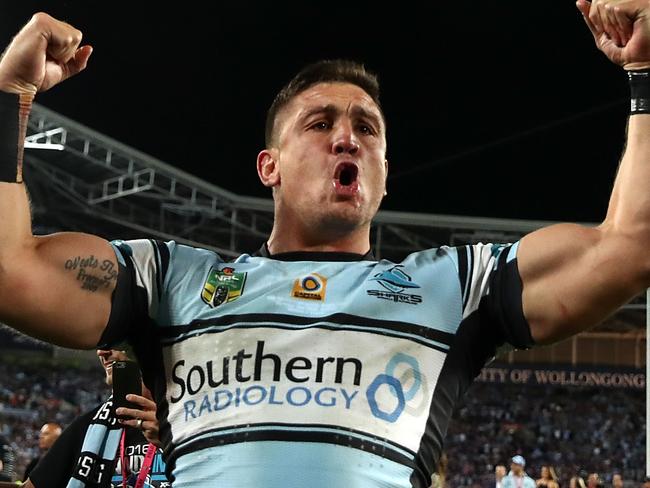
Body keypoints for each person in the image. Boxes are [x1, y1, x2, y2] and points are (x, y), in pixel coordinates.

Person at [0, 2, 648, 486]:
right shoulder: (169, 279)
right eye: (320, 123)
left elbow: (629, 247)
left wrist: (645, 72)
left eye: (367, 128)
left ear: (384, 176)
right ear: (269, 167)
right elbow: (11, 270)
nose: (348, 138)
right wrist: (11, 96)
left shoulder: (457, 288)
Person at [20, 349, 169, 488]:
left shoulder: (182, 418)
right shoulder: (87, 427)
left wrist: (169, 442)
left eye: (115, 341)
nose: (101, 352)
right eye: (101, 344)